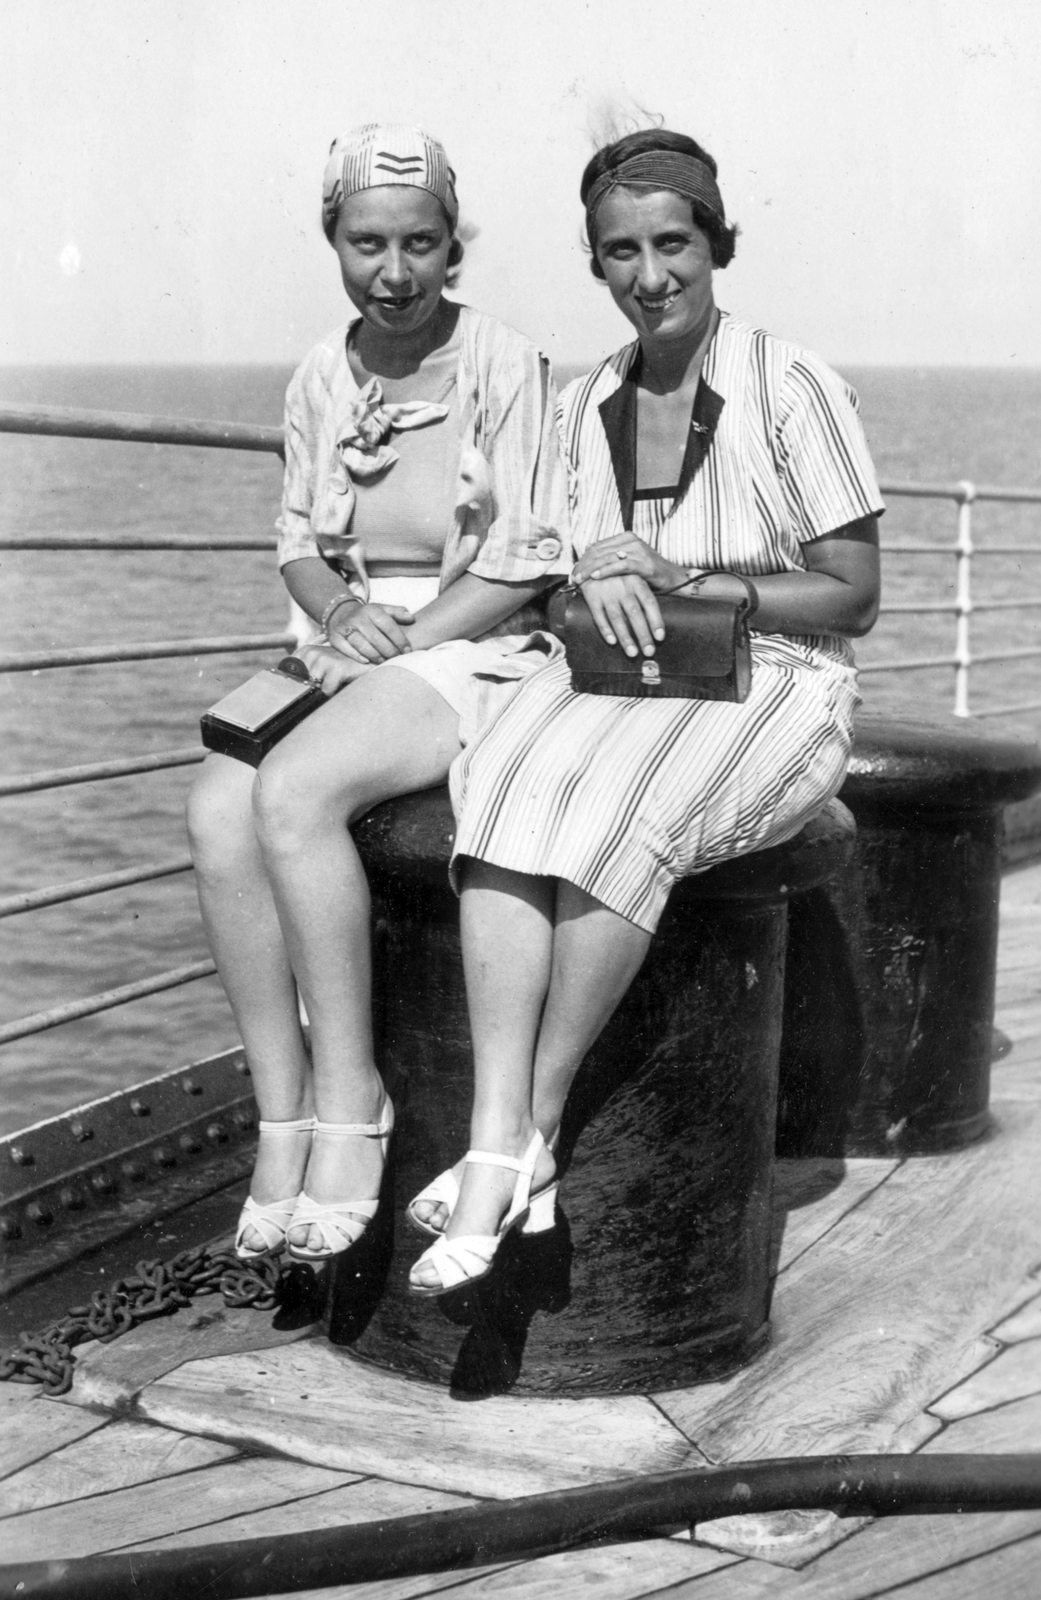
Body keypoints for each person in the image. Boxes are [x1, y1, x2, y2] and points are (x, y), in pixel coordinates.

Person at [408, 128, 882, 1295]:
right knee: (509, 777)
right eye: (619, 252)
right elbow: (565, 568)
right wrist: (594, 578)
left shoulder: (789, 380)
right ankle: (500, 1131)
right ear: (598, 265)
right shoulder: (588, 403)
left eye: (671, 243)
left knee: (616, 804)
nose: (648, 274)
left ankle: (528, 1132)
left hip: (778, 676)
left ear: (717, 244)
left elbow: (854, 596)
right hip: (633, 671)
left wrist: (688, 577)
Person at [187, 123, 567, 1263]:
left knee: (294, 793)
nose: (393, 271)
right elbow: (298, 542)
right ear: (333, 243)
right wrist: (339, 613)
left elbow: (528, 553)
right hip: (350, 640)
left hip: (475, 635)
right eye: (367, 244)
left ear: (454, 244)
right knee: (215, 811)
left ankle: (354, 1105)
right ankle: (284, 1115)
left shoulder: (504, 361)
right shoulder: (321, 372)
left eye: (419, 243)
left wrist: (399, 642)